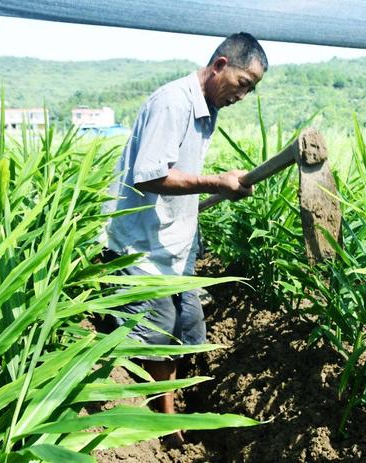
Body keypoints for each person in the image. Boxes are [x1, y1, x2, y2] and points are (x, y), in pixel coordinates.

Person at [104, 32, 268, 443]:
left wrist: (218, 188)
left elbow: (181, 172)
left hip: (176, 242)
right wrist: (216, 181)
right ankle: (165, 425)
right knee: (157, 337)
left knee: (187, 328)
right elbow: (150, 175)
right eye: (243, 84)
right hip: (143, 246)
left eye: (251, 90)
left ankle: (175, 408)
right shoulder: (173, 102)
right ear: (220, 66)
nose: (243, 96)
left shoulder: (206, 108)